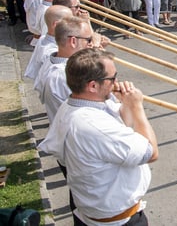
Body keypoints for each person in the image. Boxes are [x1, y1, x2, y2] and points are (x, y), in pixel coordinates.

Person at [39, 48, 158, 226]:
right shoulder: (94, 125)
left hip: (96, 212)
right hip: (118, 221)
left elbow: (119, 125)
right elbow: (151, 152)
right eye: (112, 78)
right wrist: (137, 107)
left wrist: (125, 103)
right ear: (93, 86)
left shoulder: (72, 105)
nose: (116, 82)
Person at [24, 5, 73, 81]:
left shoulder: (43, 38)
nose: (73, 25)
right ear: (56, 24)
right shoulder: (50, 51)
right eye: (70, 21)